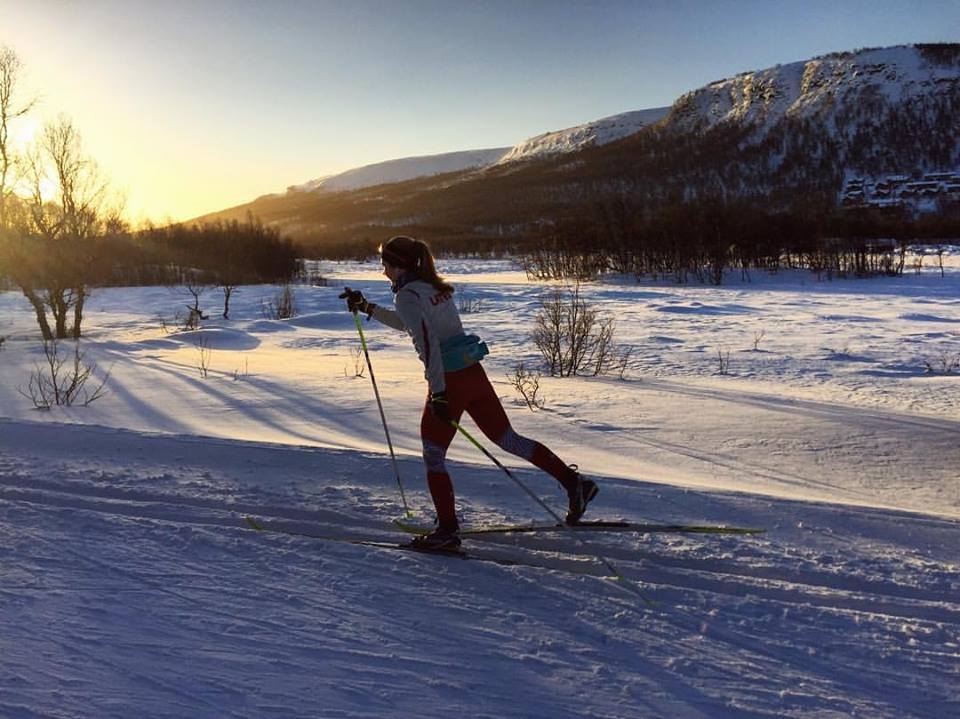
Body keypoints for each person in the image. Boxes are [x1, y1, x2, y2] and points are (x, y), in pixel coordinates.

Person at [339, 235, 597, 550]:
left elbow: (427, 343)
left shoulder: (407, 295)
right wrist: (368, 307)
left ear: (399, 265)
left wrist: (439, 393)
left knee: (433, 454)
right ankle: (574, 484)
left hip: (449, 380)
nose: (383, 272)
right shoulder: (433, 288)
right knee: (509, 439)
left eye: (386, 265)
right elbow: (414, 325)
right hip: (473, 373)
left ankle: (447, 532)